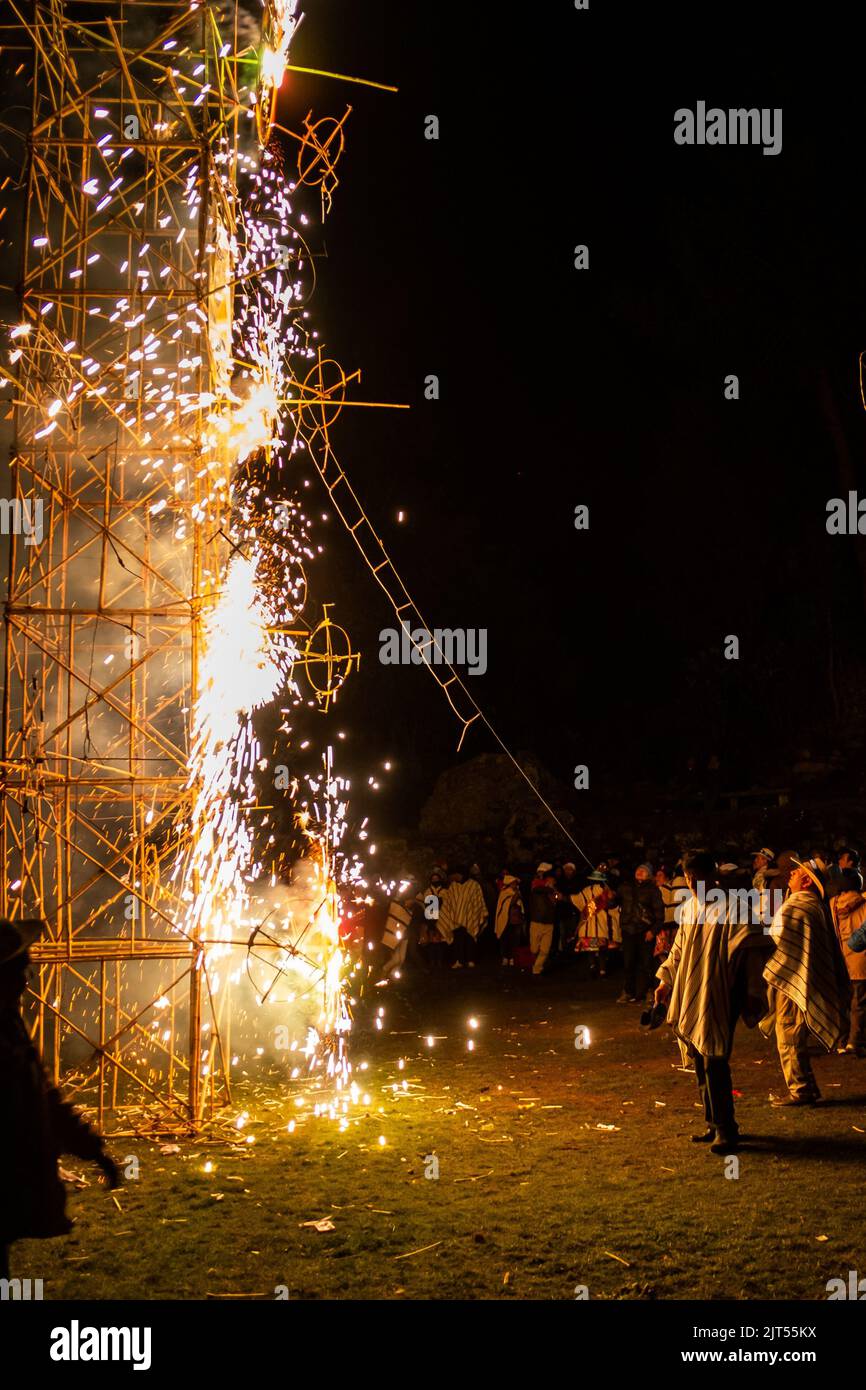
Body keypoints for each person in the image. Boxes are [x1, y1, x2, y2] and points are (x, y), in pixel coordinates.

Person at [0, 919, 120, 1281]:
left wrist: (93, 1150)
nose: (27, 979)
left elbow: (44, 1098)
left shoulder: (9, 1023)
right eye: (21, 969)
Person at [654, 851, 768, 1156]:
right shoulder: (690, 908)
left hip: (722, 991)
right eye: (689, 879)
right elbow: (679, 948)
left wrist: (753, 991)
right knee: (700, 1057)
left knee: (714, 1056)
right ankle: (714, 1122)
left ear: (711, 876)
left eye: (698, 878)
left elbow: (753, 951)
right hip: (695, 988)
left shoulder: (734, 908)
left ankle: (726, 1130)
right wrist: (665, 981)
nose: (692, 885)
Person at [761, 857, 848, 1106]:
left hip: (793, 978)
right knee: (793, 1034)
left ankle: (800, 1089)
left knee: (788, 1033)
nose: (791, 875)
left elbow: (779, 936)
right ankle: (806, 1086)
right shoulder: (812, 904)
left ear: (807, 879)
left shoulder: (800, 904)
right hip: (802, 976)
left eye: (796, 872)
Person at [617, 862, 664, 1003]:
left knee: (646, 964)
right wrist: (610, 896)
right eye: (638, 869)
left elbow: (660, 915)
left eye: (644, 870)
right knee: (628, 963)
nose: (640, 871)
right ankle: (628, 992)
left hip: (645, 931)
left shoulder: (653, 891)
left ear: (649, 875)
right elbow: (614, 903)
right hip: (628, 930)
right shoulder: (625, 887)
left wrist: (653, 931)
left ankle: (649, 991)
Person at [830, 873, 866, 1056]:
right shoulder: (864, 902)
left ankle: (841, 1039)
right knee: (859, 1003)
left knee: (841, 1002)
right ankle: (855, 1040)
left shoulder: (832, 904)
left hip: (840, 959)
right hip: (861, 960)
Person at [572, 870, 621, 977]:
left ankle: (600, 969)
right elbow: (578, 902)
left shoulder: (606, 891)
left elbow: (613, 904)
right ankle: (595, 967)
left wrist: (610, 898)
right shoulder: (587, 890)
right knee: (592, 948)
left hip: (601, 923)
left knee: (600, 948)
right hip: (590, 924)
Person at [438, 867, 488, 969]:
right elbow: (449, 901)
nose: (453, 876)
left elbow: (478, 900)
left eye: (455, 874)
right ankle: (459, 960)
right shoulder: (453, 886)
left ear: (461, 874)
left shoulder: (473, 885)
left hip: (470, 917)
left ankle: (470, 960)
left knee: (470, 938)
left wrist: (476, 913)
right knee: (458, 940)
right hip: (455, 918)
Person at [528, 863, 561, 976]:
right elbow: (538, 889)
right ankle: (536, 965)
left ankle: (536, 969)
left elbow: (556, 901)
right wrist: (550, 889)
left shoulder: (553, 890)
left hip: (549, 923)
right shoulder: (536, 884)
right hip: (536, 921)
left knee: (545, 949)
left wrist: (555, 893)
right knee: (534, 949)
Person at [494, 872, 525, 967]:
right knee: (505, 939)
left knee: (514, 940)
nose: (515, 884)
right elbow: (508, 904)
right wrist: (516, 896)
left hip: (516, 920)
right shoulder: (504, 893)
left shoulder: (517, 892)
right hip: (506, 920)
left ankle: (512, 957)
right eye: (514, 883)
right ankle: (505, 957)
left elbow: (520, 905)